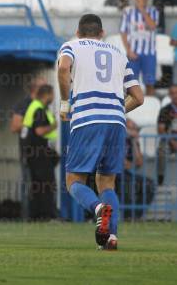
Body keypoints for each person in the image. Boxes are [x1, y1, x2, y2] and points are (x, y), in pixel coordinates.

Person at [58, 13, 144, 250]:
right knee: (107, 183)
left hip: (87, 119)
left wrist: (65, 104)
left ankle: (98, 209)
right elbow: (139, 97)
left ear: (78, 32)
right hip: (116, 123)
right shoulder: (118, 53)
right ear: (102, 33)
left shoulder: (71, 45)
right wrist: (116, 110)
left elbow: (64, 68)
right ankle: (110, 238)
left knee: (73, 180)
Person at [10, 76, 46, 219]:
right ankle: (27, 217)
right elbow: (14, 126)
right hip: (28, 151)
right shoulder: (24, 105)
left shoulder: (44, 105)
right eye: (44, 87)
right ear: (35, 89)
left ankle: (43, 215)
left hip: (43, 152)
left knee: (43, 185)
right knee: (29, 183)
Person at [20, 84, 58, 220]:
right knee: (47, 185)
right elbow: (39, 130)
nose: (53, 98)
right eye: (53, 94)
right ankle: (48, 215)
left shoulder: (34, 107)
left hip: (34, 153)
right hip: (39, 153)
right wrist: (53, 126)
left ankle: (36, 215)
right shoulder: (39, 109)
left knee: (37, 186)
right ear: (47, 94)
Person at [120, 0, 159, 96]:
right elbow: (123, 32)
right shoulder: (127, 12)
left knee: (150, 84)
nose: (140, 0)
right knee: (131, 85)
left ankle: (150, 108)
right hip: (133, 52)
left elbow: (152, 26)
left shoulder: (153, 11)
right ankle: (132, 112)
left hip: (149, 53)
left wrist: (142, 10)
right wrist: (128, 50)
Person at [157, 84, 177, 185]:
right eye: (172, 93)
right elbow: (161, 130)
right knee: (161, 151)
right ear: (169, 95)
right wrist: (172, 141)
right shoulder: (165, 110)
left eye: (176, 93)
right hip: (169, 139)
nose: (175, 95)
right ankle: (160, 180)